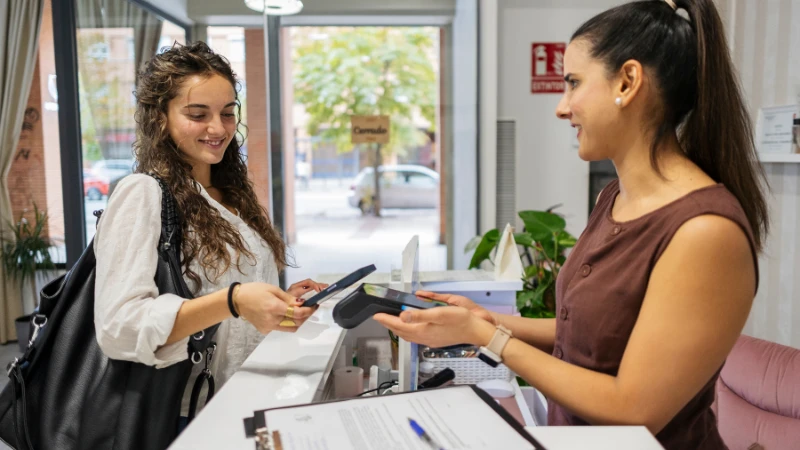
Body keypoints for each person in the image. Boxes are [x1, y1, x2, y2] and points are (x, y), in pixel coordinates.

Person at [374, 1, 768, 449]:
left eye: (574, 83)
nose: (562, 108)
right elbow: (596, 335)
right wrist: (484, 320)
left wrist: (488, 338)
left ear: (627, 81)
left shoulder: (704, 232)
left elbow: (633, 410)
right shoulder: (613, 199)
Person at [93, 41, 326, 427]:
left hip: (245, 396)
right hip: (189, 412)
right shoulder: (143, 193)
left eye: (228, 113)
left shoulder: (230, 193)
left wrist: (274, 302)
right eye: (197, 114)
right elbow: (119, 326)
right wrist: (234, 301)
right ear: (160, 118)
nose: (218, 128)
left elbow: (227, 300)